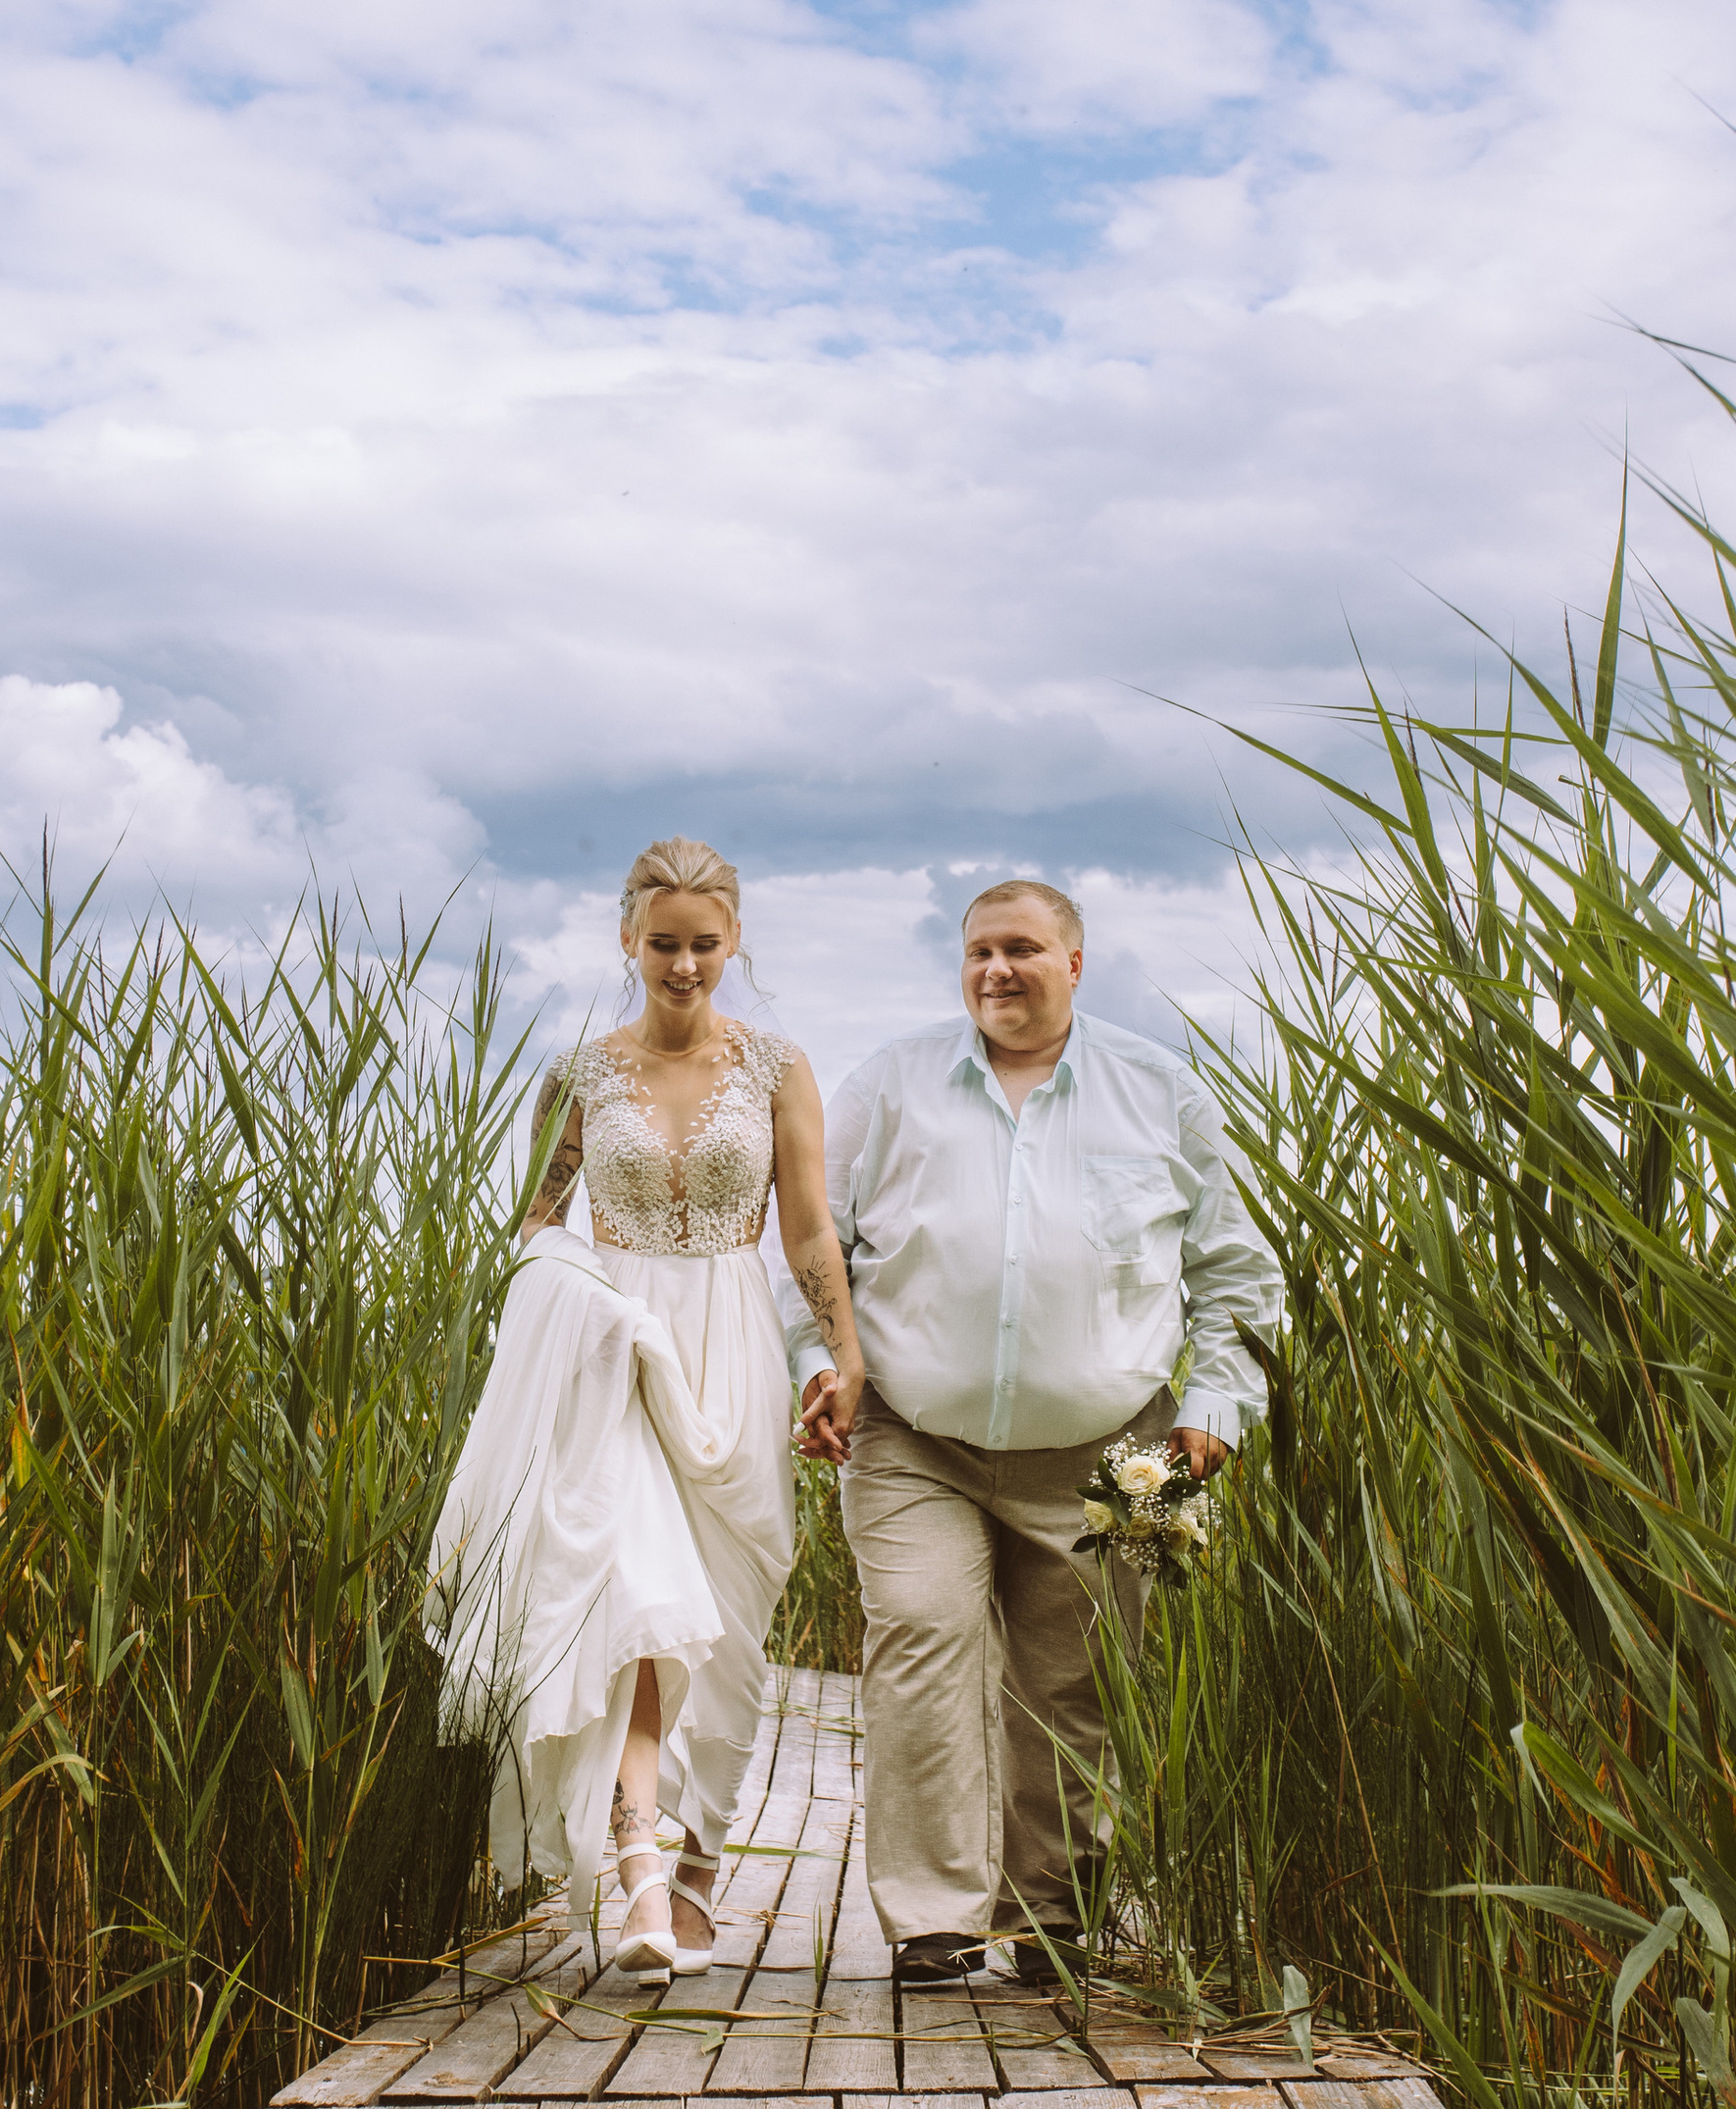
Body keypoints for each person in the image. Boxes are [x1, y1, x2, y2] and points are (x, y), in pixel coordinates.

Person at [786, 879, 1280, 1986]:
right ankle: (931, 1919)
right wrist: (822, 1362)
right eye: (976, 952)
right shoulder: (891, 1083)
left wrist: (1217, 1409)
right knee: (919, 1639)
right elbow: (813, 1244)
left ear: (1074, 962)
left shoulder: (1165, 1093)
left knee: (1097, 1676)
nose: (994, 971)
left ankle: (1050, 1918)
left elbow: (1237, 1272)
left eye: (1019, 950)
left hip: (1135, 1442)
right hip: (911, 1432)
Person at [436, 840, 866, 1976]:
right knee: (635, 1596)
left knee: (725, 1619)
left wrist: (844, 1352)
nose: (684, 967)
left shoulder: (777, 1067)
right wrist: (580, 1306)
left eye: (705, 945)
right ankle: (634, 1869)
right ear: (626, 940)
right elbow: (535, 1225)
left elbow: (807, 1225)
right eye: (664, 943)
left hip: (729, 1348)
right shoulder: (577, 1075)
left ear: (734, 943)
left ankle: (696, 1865)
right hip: (614, 1349)